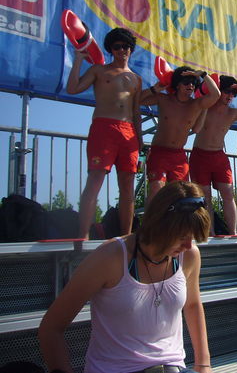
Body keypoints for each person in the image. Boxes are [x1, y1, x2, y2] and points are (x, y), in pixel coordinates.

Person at [38, 181, 212, 373]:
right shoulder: (109, 257)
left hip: (174, 368)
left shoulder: (188, 256)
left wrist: (204, 365)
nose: (188, 245)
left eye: (193, 237)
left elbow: (193, 305)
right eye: (182, 237)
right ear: (159, 224)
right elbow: (51, 328)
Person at [66, 28, 142, 239]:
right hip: (104, 127)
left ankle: (126, 237)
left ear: (131, 49)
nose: (122, 50)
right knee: (95, 180)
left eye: (125, 46)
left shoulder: (136, 79)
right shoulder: (99, 71)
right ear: (110, 49)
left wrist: (140, 140)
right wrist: (78, 60)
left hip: (129, 134)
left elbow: (136, 112)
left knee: (128, 188)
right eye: (117, 46)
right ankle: (83, 234)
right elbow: (72, 88)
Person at [189, 75, 237, 235]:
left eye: (234, 94)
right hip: (200, 155)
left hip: (219, 156)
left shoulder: (232, 112)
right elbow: (196, 129)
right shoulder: (205, 107)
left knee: (228, 193)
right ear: (219, 91)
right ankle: (211, 233)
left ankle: (233, 232)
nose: (230, 97)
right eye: (227, 92)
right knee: (205, 196)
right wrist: (206, 106)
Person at [140, 67, 220, 207]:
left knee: (181, 194)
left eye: (193, 83)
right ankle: (149, 227)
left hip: (179, 155)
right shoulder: (163, 99)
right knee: (156, 189)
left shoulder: (196, 104)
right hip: (159, 152)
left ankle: (175, 228)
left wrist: (203, 75)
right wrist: (156, 88)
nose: (190, 85)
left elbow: (216, 95)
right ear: (177, 84)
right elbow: (138, 100)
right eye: (186, 82)